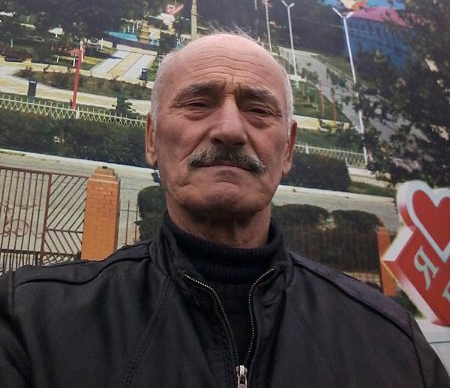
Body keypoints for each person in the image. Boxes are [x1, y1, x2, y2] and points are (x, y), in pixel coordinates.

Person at [0, 33, 448, 387]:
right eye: (198, 104)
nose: (230, 129)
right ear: (152, 138)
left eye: (258, 109)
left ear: (288, 149)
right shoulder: (31, 325)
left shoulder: (392, 344)